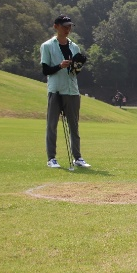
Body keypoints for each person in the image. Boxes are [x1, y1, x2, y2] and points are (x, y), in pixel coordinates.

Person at [40, 14, 91, 169]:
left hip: (72, 90)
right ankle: (51, 158)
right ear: (56, 26)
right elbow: (45, 70)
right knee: (52, 125)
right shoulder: (47, 46)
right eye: (64, 26)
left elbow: (75, 72)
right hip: (55, 89)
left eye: (69, 26)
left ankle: (78, 157)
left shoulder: (74, 47)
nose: (68, 29)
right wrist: (60, 66)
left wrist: (78, 66)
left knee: (74, 126)